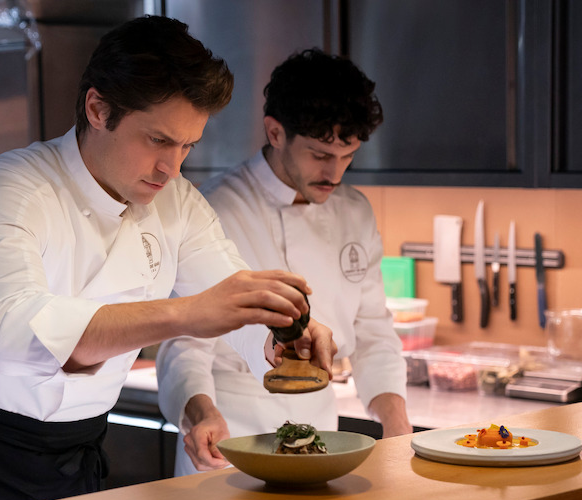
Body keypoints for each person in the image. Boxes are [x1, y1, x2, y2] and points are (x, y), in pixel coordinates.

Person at [0, 17, 336, 500]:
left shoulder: (177, 205)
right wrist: (183, 314)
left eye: (187, 146)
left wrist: (283, 333)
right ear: (98, 108)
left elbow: (230, 290)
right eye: (158, 140)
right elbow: (13, 338)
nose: (172, 168)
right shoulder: (9, 189)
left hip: (74, 459)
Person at [156, 48, 413, 476]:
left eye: (348, 155)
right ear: (275, 133)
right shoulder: (214, 208)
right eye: (320, 155)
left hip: (322, 436)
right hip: (228, 436)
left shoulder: (355, 212)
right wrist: (202, 415)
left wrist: (396, 421)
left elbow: (373, 332)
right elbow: (184, 342)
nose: (336, 173)